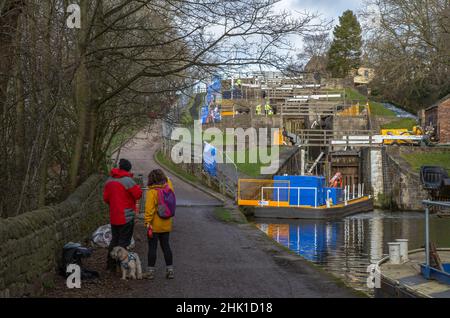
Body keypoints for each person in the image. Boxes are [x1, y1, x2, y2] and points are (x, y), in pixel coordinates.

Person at [103, 159, 143, 271]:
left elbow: (106, 198)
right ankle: (121, 266)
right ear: (128, 168)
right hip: (127, 216)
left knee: (114, 240)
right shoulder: (128, 181)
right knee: (123, 242)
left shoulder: (109, 180)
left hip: (114, 215)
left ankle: (110, 265)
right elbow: (138, 194)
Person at [144, 169, 175, 280]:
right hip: (166, 224)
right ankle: (170, 270)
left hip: (154, 226)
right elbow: (168, 180)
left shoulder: (152, 192)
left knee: (152, 248)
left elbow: (149, 210)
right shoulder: (169, 188)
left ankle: (150, 272)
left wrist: (147, 222)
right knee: (166, 247)